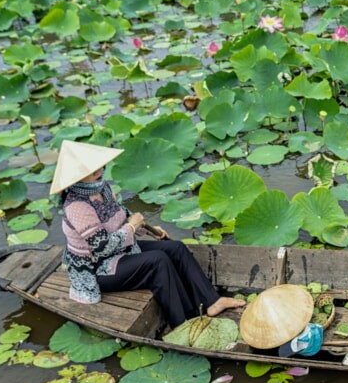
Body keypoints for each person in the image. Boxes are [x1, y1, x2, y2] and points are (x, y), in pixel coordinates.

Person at [50, 141, 244, 328]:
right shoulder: (77, 206)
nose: (98, 172)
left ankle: (212, 301)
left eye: (99, 166)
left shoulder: (103, 188)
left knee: (176, 248)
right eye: (90, 171)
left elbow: (123, 217)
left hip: (119, 252)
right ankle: (183, 321)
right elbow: (102, 247)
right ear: (77, 177)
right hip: (97, 268)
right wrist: (132, 228)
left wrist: (149, 230)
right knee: (157, 261)